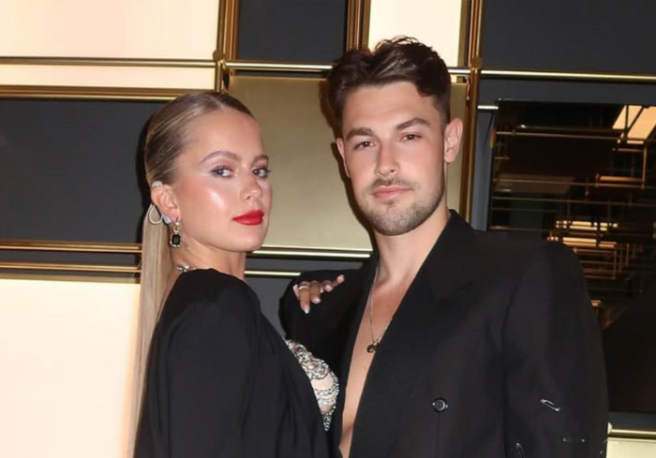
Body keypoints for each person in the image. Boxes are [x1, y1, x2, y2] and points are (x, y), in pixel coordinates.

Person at [280, 37, 608, 458]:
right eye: (365, 143)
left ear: (450, 140)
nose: (385, 164)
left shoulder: (524, 280)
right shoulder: (326, 309)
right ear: (343, 156)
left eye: (409, 136)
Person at [129, 91, 336, 458]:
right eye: (222, 170)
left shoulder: (201, 302)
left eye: (259, 170)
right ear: (168, 200)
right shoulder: (215, 305)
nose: (253, 189)